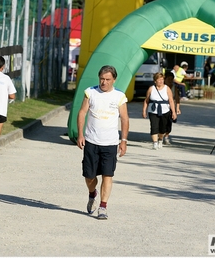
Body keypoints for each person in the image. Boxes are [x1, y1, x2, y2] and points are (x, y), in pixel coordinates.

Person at [76, 65, 129, 220]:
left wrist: (123, 141)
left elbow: (125, 119)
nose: (104, 82)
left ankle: (103, 207)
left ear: (114, 80)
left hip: (110, 143)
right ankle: (92, 193)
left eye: (107, 80)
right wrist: (80, 134)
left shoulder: (119, 96)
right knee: (89, 176)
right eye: (102, 79)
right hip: (92, 141)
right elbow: (82, 113)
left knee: (108, 174)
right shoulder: (90, 92)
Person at [142, 72, 177, 150]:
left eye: (162, 79)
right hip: (153, 110)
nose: (161, 81)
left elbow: (171, 100)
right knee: (154, 126)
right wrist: (144, 110)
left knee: (162, 128)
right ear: (155, 81)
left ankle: (160, 139)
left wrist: (174, 112)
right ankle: (155, 143)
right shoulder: (151, 88)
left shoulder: (167, 88)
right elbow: (146, 100)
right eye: (159, 80)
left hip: (165, 110)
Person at [163, 71, 181, 145]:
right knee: (162, 122)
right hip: (162, 107)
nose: (170, 81)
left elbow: (177, 98)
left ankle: (166, 136)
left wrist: (177, 108)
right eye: (169, 79)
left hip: (171, 107)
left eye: (171, 79)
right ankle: (160, 135)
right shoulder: (162, 87)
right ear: (165, 79)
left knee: (169, 123)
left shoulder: (174, 87)